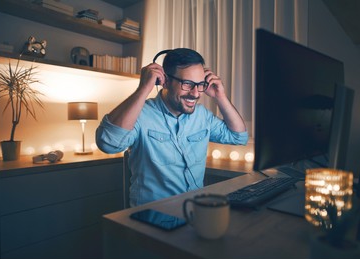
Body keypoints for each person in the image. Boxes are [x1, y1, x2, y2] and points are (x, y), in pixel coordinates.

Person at [96, 48, 248, 207]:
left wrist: (220, 96)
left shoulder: (202, 115)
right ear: (165, 81)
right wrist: (143, 88)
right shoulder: (141, 114)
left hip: (194, 213)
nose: (195, 93)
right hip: (153, 219)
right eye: (188, 84)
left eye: (200, 84)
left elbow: (239, 136)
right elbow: (107, 144)